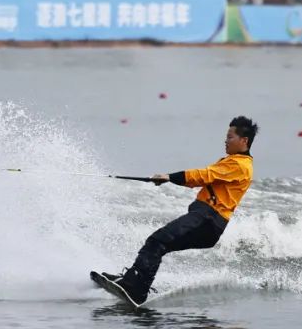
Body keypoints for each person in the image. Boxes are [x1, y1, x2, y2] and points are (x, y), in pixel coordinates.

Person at [102, 116, 257, 306]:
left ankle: (135, 289)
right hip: (207, 222)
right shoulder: (233, 162)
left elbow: (203, 175)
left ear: (244, 141)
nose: (225, 140)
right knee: (159, 245)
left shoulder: (240, 165)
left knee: (157, 240)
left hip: (207, 219)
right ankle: (133, 282)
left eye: (230, 137)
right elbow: (200, 180)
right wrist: (169, 179)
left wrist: (169, 176)